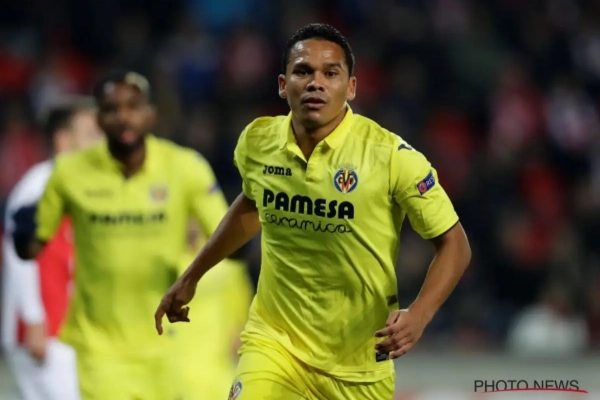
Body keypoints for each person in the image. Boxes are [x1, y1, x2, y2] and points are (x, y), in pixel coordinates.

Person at [155, 23, 472, 400]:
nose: (315, 83)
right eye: (303, 71)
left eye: (330, 73)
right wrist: (192, 275)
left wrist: (420, 313)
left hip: (357, 362)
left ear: (351, 87)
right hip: (274, 344)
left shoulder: (390, 157)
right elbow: (253, 204)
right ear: (282, 84)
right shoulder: (257, 141)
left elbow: (455, 245)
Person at [18, 70, 230, 400]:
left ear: (151, 114)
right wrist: (22, 237)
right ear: (99, 119)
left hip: (164, 346)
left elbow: (227, 238)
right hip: (98, 348)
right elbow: (31, 248)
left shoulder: (184, 167)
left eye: (133, 107)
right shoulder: (69, 173)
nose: (123, 118)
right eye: (111, 109)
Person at [2, 98, 103, 400]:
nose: (100, 141)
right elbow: (18, 254)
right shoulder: (39, 185)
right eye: (91, 133)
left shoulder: (77, 185)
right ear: (63, 140)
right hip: (44, 331)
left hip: (65, 328)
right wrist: (33, 318)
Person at [171, 220, 253, 399]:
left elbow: (239, 298)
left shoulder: (224, 257)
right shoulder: (167, 258)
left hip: (217, 365)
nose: (190, 224)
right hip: (176, 366)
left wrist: (240, 331)